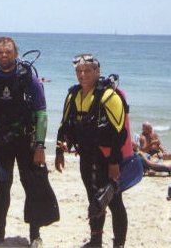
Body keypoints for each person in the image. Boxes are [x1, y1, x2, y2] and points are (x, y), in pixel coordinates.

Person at [0, 36, 58, 247]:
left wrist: (40, 146)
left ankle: (35, 235)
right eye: (0, 52)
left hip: (26, 141)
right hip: (1, 141)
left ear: (16, 53)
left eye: (8, 51)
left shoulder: (28, 79)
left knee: (31, 184)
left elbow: (42, 114)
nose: (4, 55)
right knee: (3, 186)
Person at [55, 53, 128, 248]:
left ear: (97, 71)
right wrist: (59, 151)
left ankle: (118, 244)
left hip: (107, 158)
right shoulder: (73, 95)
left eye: (87, 70)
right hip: (86, 157)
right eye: (79, 71)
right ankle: (95, 241)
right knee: (93, 199)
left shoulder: (109, 96)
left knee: (113, 201)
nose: (83, 75)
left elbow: (120, 134)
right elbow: (64, 126)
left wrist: (114, 164)